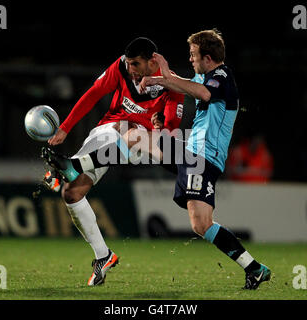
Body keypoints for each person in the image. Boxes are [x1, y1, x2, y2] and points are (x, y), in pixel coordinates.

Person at [43, 30, 271, 290]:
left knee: (198, 220)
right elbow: (186, 87)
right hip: (190, 152)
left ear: (208, 57)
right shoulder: (204, 76)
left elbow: (203, 94)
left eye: (194, 55)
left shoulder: (221, 76)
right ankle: (255, 269)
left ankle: (74, 165)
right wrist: (163, 81)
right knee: (201, 223)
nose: (191, 59)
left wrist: (161, 79)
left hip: (203, 156)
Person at [42, 37, 184, 286]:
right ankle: (103, 255)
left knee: (131, 133)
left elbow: (171, 128)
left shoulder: (171, 84)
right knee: (72, 193)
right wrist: (64, 128)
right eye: (128, 63)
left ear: (152, 61)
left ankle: (70, 167)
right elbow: (93, 94)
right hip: (108, 131)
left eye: (135, 64)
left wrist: (162, 126)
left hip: (140, 140)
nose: (130, 69)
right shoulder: (120, 67)